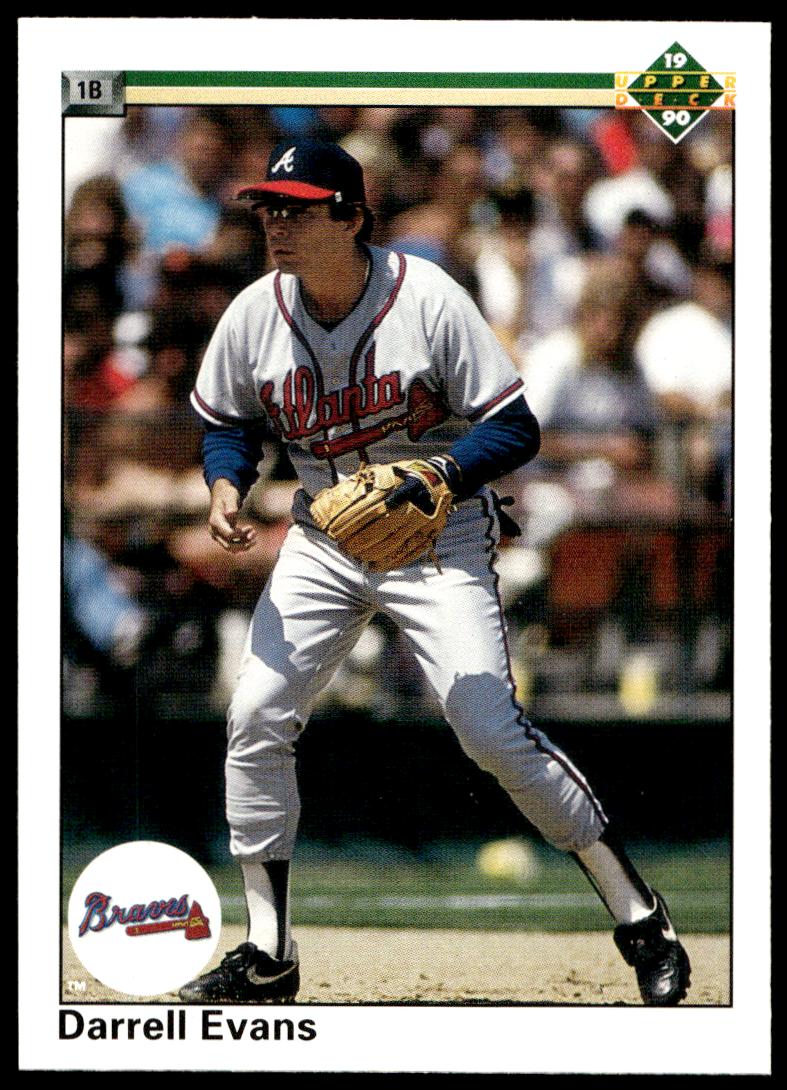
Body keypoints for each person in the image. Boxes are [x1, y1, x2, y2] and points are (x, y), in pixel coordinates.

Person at [180, 138, 691, 1006]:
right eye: (268, 208)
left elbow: (514, 427)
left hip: (437, 533)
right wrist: (226, 483)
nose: (275, 223)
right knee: (256, 714)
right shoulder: (254, 312)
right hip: (325, 534)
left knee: (487, 729)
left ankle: (640, 916)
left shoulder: (424, 297)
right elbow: (227, 421)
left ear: (351, 218)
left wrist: (441, 473)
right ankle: (268, 951)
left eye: (296, 209)